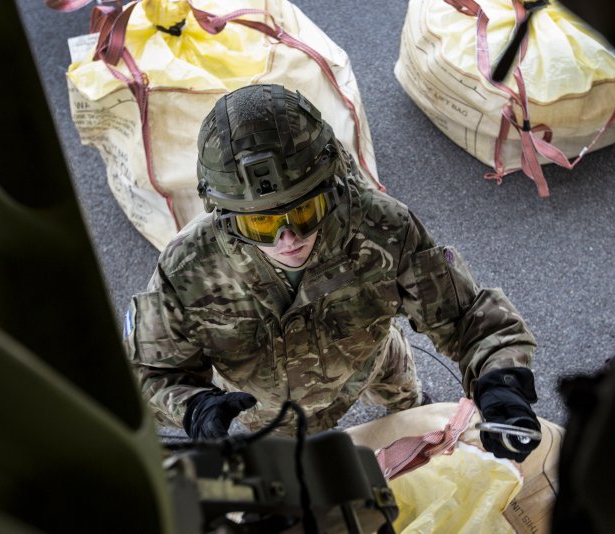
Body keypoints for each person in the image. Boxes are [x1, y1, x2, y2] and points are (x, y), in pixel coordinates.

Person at [123, 83, 541, 462]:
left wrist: (500, 381)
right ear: (226, 217)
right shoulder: (187, 267)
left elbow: (469, 319)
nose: (287, 239)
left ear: (332, 189)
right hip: (265, 414)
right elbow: (155, 373)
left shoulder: (384, 229)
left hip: (374, 366)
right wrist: (195, 407)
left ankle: (410, 408)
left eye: (304, 212)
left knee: (410, 406)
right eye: (262, 225)